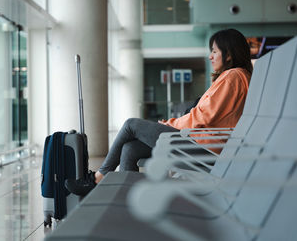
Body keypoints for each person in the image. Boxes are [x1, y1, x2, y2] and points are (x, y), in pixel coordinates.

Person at [65, 28, 253, 196]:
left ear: (228, 55)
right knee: (130, 148)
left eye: (214, 51)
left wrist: (168, 125)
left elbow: (202, 117)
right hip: (201, 142)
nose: (210, 56)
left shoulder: (232, 77)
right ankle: (124, 199)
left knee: (131, 125)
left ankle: (99, 177)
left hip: (203, 147)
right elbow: (204, 115)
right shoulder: (237, 77)